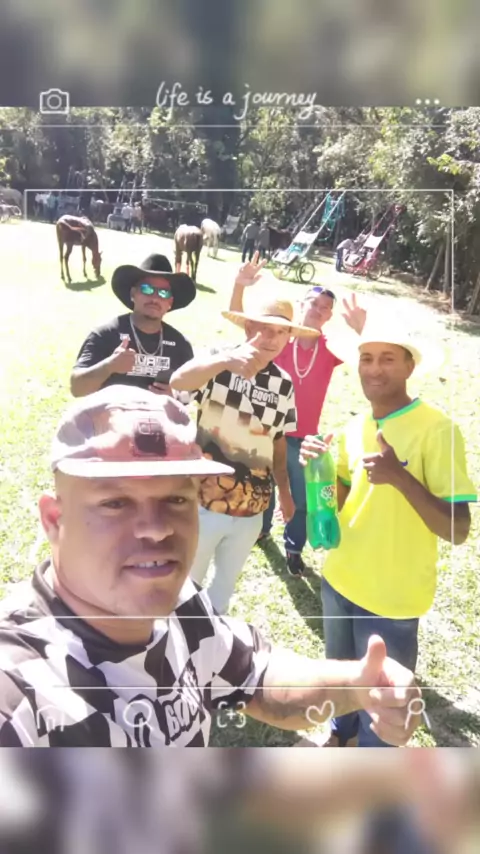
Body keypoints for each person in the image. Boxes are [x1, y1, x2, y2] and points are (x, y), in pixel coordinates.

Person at [0, 385, 421, 747]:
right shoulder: (18, 693)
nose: (156, 529)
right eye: (115, 503)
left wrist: (358, 686)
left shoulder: (180, 600)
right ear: (54, 519)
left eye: (176, 499)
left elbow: (255, 678)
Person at [300, 322, 477, 747]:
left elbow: (458, 529)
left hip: (391, 598)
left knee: (382, 710)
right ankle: (340, 736)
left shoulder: (438, 429)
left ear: (410, 366)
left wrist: (400, 477)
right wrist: (318, 466)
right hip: (339, 579)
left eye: (387, 359)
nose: (374, 369)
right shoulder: (354, 425)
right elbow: (344, 499)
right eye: (367, 358)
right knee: (340, 682)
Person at [170, 295, 322, 614]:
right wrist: (225, 362)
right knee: (183, 589)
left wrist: (285, 493)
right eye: (264, 328)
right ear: (248, 327)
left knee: (222, 593)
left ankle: (209, 640)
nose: (271, 338)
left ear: (289, 338)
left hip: (252, 509)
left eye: (281, 332)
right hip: (203, 502)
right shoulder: (218, 361)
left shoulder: (283, 385)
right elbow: (178, 383)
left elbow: (278, 441)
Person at [229, 254, 367, 576]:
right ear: (302, 304)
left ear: (329, 316)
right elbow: (242, 322)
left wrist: (361, 329)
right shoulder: (278, 339)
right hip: (267, 431)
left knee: (302, 499)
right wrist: (239, 285)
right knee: (264, 486)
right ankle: (262, 531)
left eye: (325, 308)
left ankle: (293, 549)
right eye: (313, 303)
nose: (318, 310)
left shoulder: (330, 348)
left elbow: (367, 353)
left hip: (305, 438)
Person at [70, 253, 195, 398]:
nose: (155, 298)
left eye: (163, 293)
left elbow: (193, 392)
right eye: (147, 289)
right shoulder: (106, 335)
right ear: (133, 294)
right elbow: (76, 388)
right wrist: (109, 366)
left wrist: (176, 396)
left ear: (170, 303)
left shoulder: (180, 345)